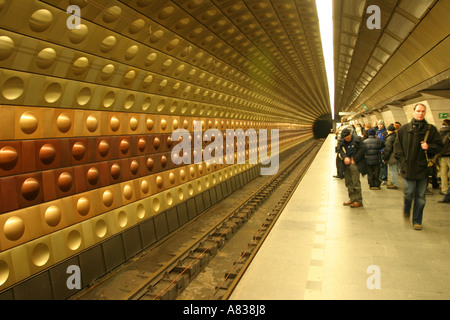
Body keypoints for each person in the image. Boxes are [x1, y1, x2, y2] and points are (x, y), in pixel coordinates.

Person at [394, 103, 443, 230]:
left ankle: (417, 220)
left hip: (423, 169)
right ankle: (407, 208)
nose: (420, 113)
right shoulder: (404, 129)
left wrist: (429, 147)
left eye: (423, 111)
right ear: (413, 112)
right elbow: (398, 148)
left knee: (420, 197)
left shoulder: (430, 130)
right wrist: (403, 162)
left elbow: (439, 146)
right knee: (409, 193)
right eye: (418, 111)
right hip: (408, 168)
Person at [338, 128, 367, 208]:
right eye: (345, 139)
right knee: (348, 182)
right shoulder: (342, 141)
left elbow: (363, 149)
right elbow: (340, 150)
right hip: (346, 164)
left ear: (350, 134)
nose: (346, 140)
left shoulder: (358, 139)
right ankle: (352, 198)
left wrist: (355, 159)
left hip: (355, 163)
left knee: (355, 182)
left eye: (348, 138)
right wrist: (345, 157)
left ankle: (358, 201)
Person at [383, 125, 399, 189]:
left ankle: (394, 184)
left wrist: (385, 158)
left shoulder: (389, 138)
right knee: (395, 170)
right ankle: (393, 182)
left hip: (392, 156)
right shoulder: (396, 136)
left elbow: (388, 149)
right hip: (397, 155)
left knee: (393, 170)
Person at [438, 119, 450, 195]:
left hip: (442, 155)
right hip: (449, 155)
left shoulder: (439, 133)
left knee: (443, 173)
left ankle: (444, 190)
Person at [376, 120, 388, 184]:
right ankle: (380, 176)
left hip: (382, 151)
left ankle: (384, 178)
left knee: (384, 165)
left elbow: (385, 143)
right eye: (378, 125)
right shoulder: (378, 132)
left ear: (383, 125)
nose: (379, 126)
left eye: (380, 125)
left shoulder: (385, 133)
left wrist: (383, 150)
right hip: (378, 150)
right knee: (380, 165)